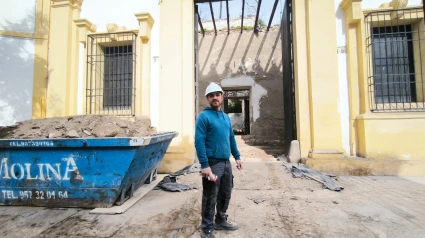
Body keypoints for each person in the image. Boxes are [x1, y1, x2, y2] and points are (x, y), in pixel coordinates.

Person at [195, 82, 243, 238]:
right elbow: (199, 141)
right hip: (213, 164)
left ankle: (221, 219)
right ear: (208, 99)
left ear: (222, 96)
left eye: (217, 94)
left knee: (226, 193)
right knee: (210, 197)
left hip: (226, 163)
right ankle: (206, 229)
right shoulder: (203, 117)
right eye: (211, 95)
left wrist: (237, 157)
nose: (214, 98)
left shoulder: (225, 117)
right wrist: (205, 165)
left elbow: (231, 138)